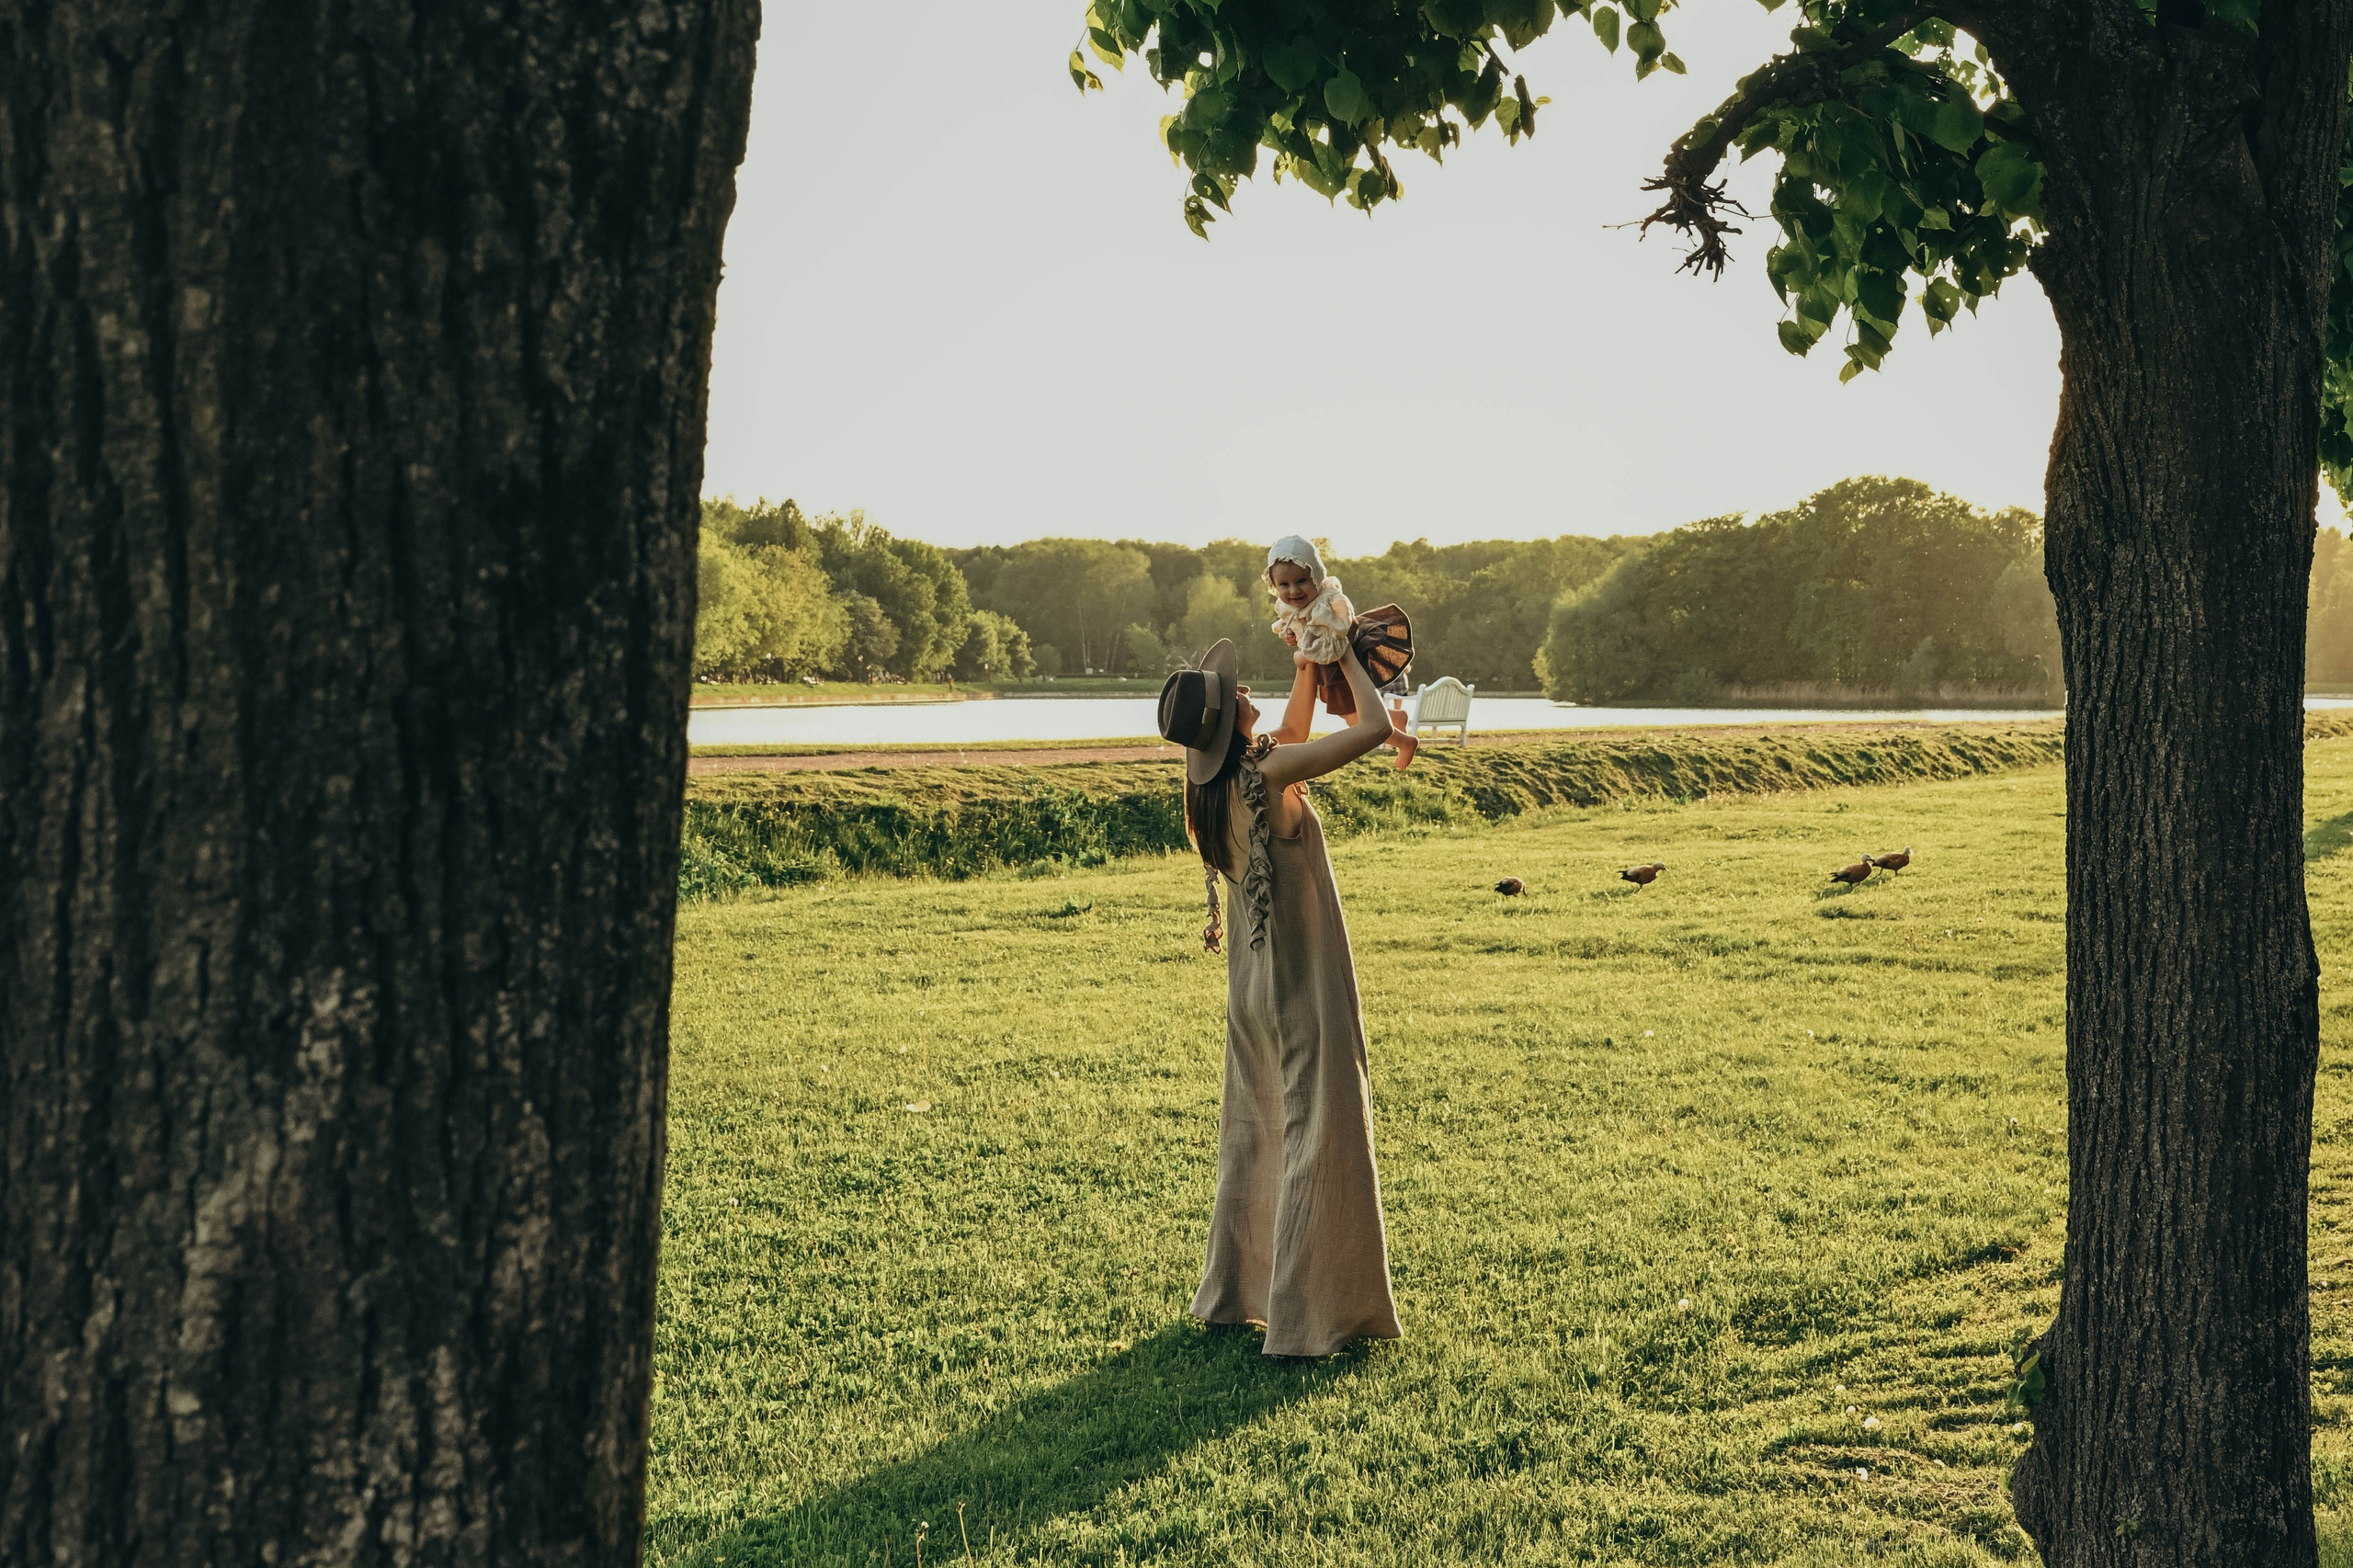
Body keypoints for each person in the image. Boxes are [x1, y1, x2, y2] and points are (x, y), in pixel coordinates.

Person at [1154, 636, 1404, 1358]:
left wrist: (1306, 663)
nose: (1240, 691)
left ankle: (1239, 1294)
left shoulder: (1215, 788)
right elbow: (1374, 730)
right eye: (1232, 693)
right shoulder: (1267, 775)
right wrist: (1346, 653)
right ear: (1230, 720)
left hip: (1252, 987)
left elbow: (1291, 738)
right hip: (1302, 977)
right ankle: (1304, 1316)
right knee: (1319, 1133)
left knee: (1260, 1130)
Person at [1263, 535, 1416, 768]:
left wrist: (1301, 656)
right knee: (1353, 716)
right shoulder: (1295, 606)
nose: (1293, 591)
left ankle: (1405, 742)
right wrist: (1292, 635)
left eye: (1302, 581)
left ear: (1317, 575)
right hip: (1331, 669)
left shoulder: (1329, 603)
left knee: (1357, 721)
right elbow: (1297, 627)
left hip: (1342, 664)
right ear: (1275, 585)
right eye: (1284, 585)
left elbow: (1331, 643)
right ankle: (1395, 718)